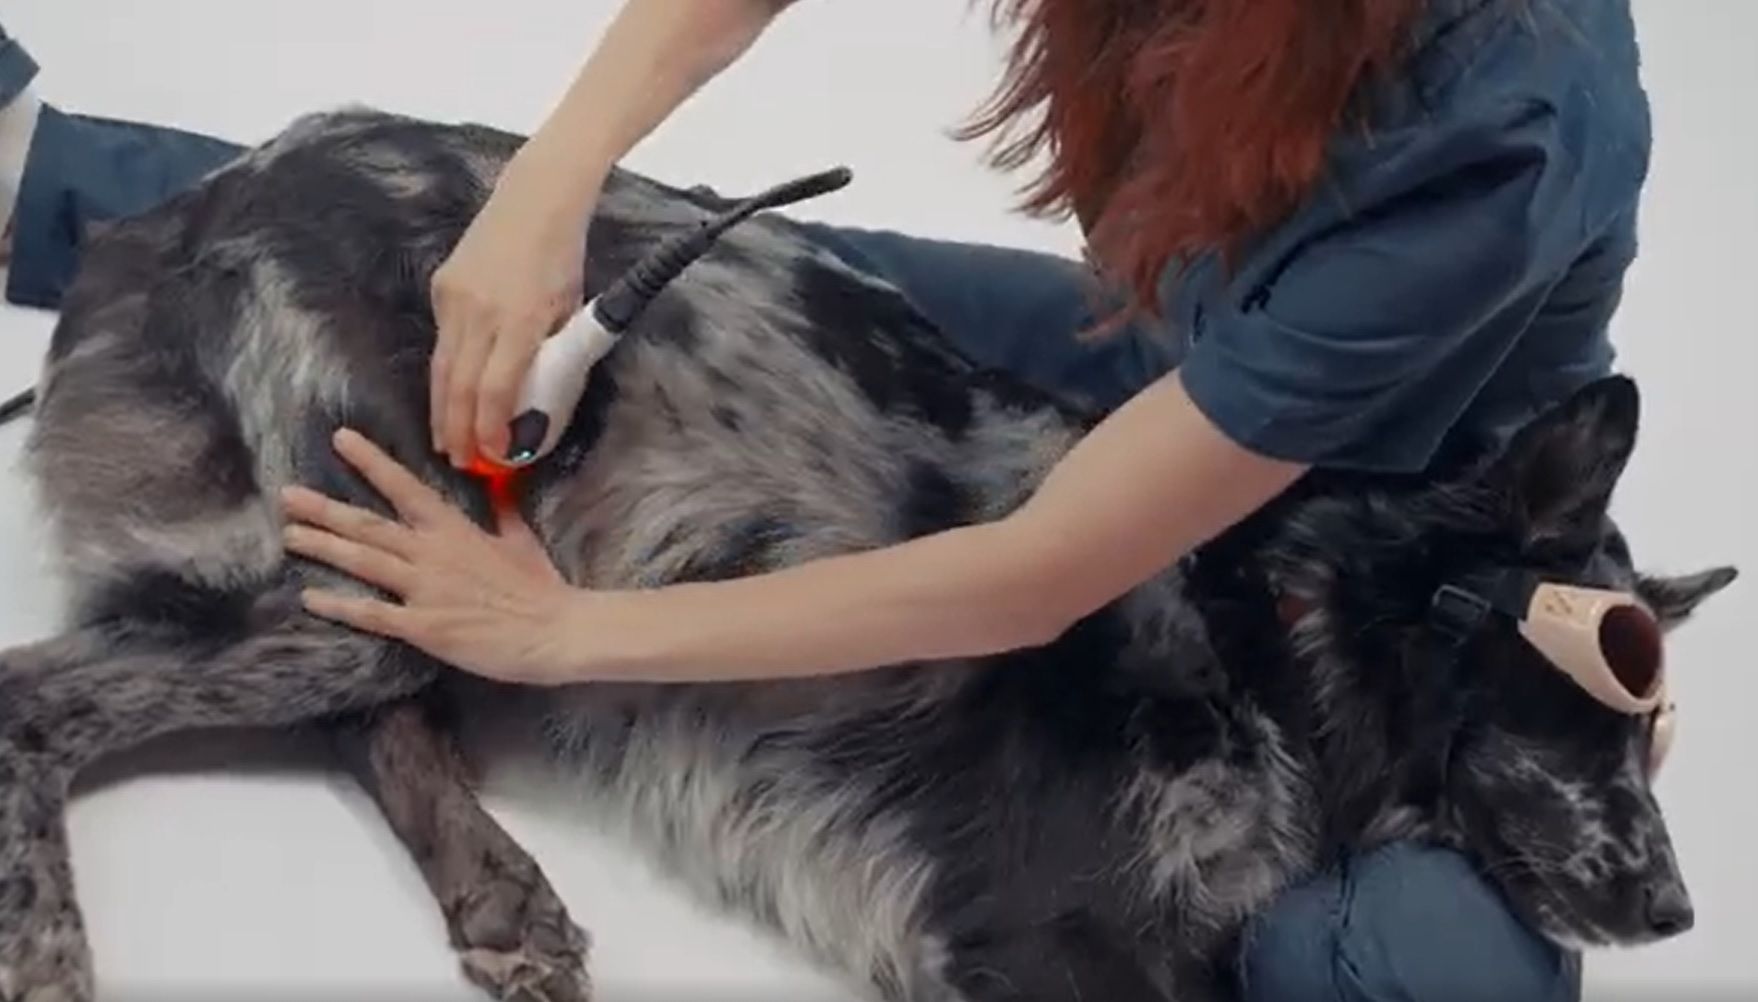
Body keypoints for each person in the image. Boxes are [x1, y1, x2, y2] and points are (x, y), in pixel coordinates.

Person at [1, 1, 1651, 998]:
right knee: (663, 249)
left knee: (1398, 971)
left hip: (1393, 478)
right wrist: (547, 188)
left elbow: (1038, 570)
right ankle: (57, 180)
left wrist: (558, 629)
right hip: (1190, 339)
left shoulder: (1499, 125)